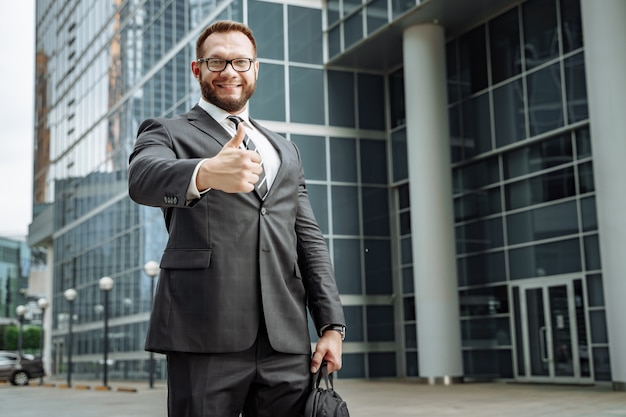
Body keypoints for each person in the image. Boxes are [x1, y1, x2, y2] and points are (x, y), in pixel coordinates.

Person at [128, 20, 346, 417]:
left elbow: (309, 240)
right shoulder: (167, 131)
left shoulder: (286, 150)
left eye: (241, 62)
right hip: (203, 334)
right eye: (217, 61)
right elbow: (142, 178)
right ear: (198, 69)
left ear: (256, 68)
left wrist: (332, 325)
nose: (230, 71)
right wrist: (206, 172)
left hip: (286, 340)